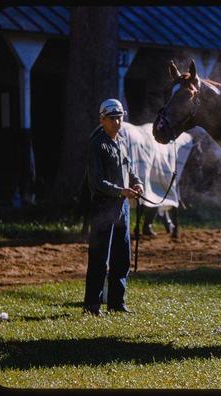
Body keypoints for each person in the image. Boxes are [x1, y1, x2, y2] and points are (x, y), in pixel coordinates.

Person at [83, 98, 144, 316]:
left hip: (122, 208)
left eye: (119, 118)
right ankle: (92, 305)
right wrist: (121, 190)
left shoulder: (122, 141)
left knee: (122, 257)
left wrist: (137, 182)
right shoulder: (97, 144)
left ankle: (117, 302)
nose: (117, 122)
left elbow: (130, 168)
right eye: (112, 119)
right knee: (100, 258)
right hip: (103, 207)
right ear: (102, 119)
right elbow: (96, 181)